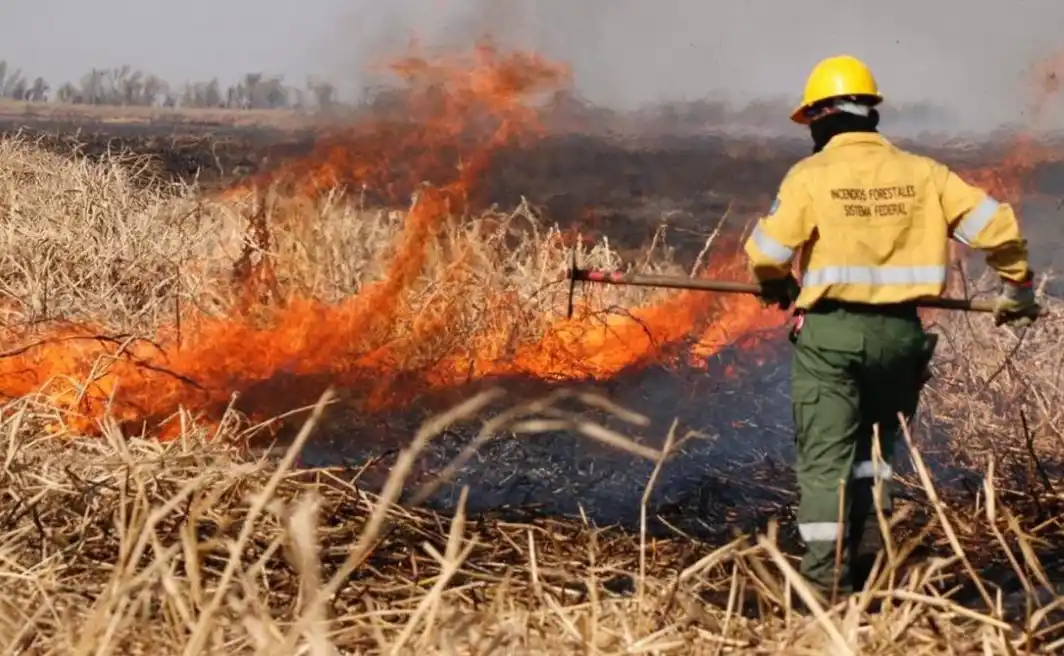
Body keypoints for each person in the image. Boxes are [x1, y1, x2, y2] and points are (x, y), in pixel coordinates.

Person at [742, 54, 1041, 599]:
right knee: (875, 456)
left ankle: (823, 594)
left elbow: (766, 253)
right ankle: (874, 564)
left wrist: (778, 283)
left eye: (812, 121)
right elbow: (998, 227)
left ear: (825, 115)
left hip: (833, 337)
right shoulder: (924, 173)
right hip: (902, 339)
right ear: (870, 114)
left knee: (826, 462)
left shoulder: (812, 175)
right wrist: (1017, 291)